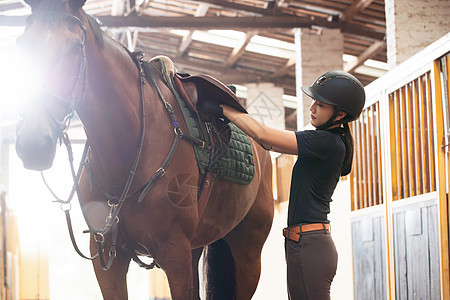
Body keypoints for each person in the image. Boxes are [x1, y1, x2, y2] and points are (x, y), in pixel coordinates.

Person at [201, 70, 365, 300]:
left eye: (321, 105)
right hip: (304, 244)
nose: (312, 108)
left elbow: (263, 135)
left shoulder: (327, 142)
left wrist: (224, 108)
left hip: (310, 246)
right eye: (314, 102)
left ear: (340, 115)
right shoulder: (327, 141)